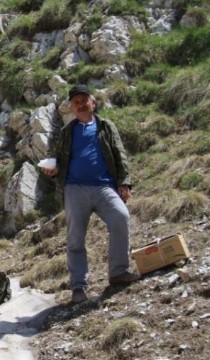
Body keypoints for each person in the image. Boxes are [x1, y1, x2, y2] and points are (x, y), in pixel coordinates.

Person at [42, 85, 139, 304]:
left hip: (104, 187)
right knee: (76, 237)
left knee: (121, 217)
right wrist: (53, 170)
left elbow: (119, 154)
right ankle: (78, 287)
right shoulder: (67, 132)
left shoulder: (106, 126)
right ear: (71, 108)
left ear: (93, 103)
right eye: (76, 102)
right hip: (74, 188)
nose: (81, 104)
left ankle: (118, 273)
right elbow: (60, 161)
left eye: (84, 100)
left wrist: (124, 181)